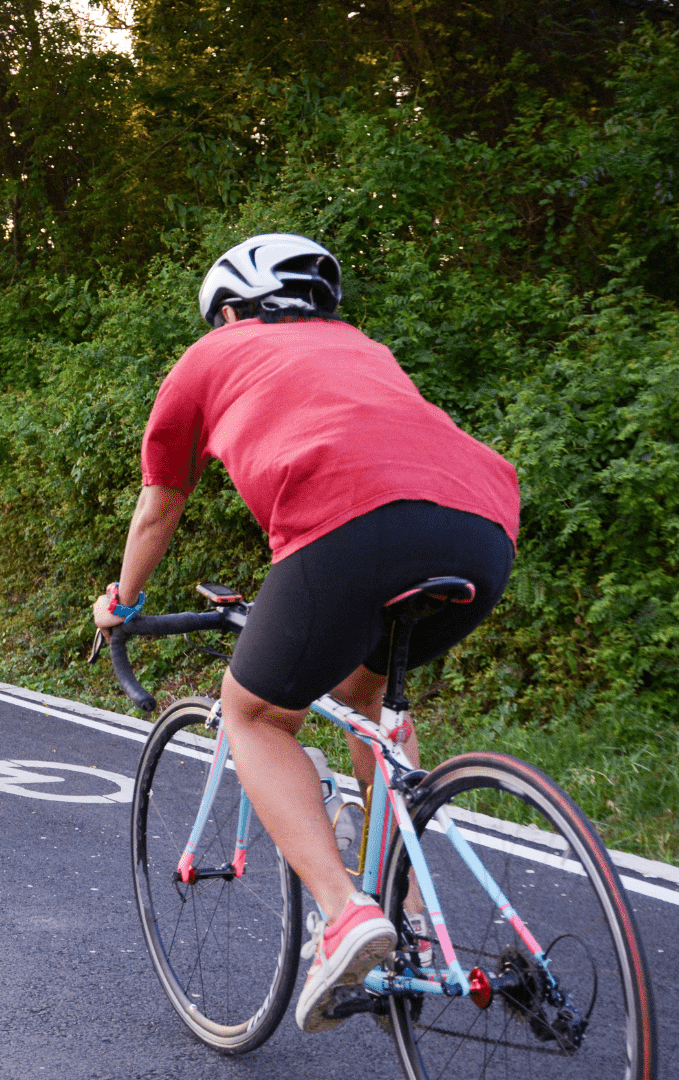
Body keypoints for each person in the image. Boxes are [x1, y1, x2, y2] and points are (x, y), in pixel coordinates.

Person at [90, 233, 519, 1034]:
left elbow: (161, 502)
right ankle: (417, 924)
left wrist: (123, 599)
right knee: (370, 697)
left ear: (227, 309)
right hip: (484, 525)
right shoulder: (364, 349)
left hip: (349, 526)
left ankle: (346, 913)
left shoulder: (213, 354)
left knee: (254, 714)